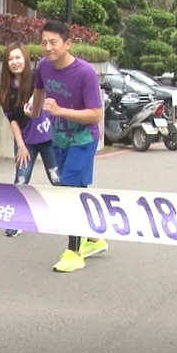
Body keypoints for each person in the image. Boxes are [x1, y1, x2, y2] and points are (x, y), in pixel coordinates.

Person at [28, 20, 105, 273]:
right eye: (44, 43)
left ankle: (74, 252)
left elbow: (95, 115)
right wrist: (34, 110)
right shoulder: (43, 67)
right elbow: (39, 90)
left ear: (67, 43)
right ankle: (93, 239)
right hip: (59, 138)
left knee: (68, 190)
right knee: (77, 188)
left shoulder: (85, 73)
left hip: (83, 140)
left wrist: (60, 110)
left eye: (53, 42)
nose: (47, 48)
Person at [0, 42, 59, 237]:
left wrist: (35, 100)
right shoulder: (6, 90)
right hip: (26, 141)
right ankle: (17, 220)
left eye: (18, 57)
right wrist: (21, 146)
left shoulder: (37, 78)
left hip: (50, 138)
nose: (15, 62)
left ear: (25, 58)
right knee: (21, 180)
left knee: (57, 179)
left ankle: (70, 220)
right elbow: (13, 120)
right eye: (11, 59)